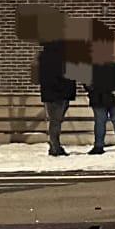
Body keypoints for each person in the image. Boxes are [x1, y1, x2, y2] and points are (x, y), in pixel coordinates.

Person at [34, 17, 77, 158]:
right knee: (56, 121)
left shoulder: (43, 55)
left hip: (49, 93)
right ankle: (55, 147)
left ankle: (54, 146)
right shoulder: (64, 54)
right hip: (61, 93)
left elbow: (39, 76)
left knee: (53, 121)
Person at [86, 21, 115, 155]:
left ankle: (99, 146)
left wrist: (90, 89)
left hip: (100, 95)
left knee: (100, 122)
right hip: (112, 95)